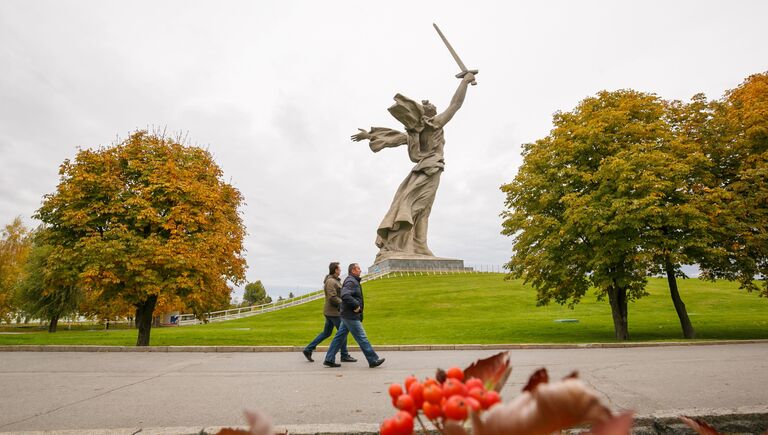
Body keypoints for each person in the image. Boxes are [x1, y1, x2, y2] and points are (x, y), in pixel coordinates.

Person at [351, 72, 475, 263]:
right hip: (430, 168)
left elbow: (393, 138)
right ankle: (410, 244)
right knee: (419, 207)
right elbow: (455, 105)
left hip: (424, 169)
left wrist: (369, 136)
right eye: (429, 107)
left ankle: (419, 244)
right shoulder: (434, 124)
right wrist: (465, 82)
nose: (433, 106)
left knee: (421, 208)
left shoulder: (413, 132)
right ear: (426, 113)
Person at [324, 263, 385, 368]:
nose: (360, 270)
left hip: (347, 314)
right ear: (353, 270)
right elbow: (345, 295)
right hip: (350, 315)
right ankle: (373, 359)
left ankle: (329, 359)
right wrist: (356, 306)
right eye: (358, 269)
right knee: (362, 337)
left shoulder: (353, 280)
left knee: (339, 337)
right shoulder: (351, 281)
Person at [302, 262, 356, 363]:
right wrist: (343, 303)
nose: (340, 270)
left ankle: (308, 349)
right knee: (343, 332)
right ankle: (344, 355)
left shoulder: (335, 280)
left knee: (326, 333)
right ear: (335, 270)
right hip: (334, 312)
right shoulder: (331, 281)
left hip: (330, 312)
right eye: (339, 269)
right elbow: (332, 297)